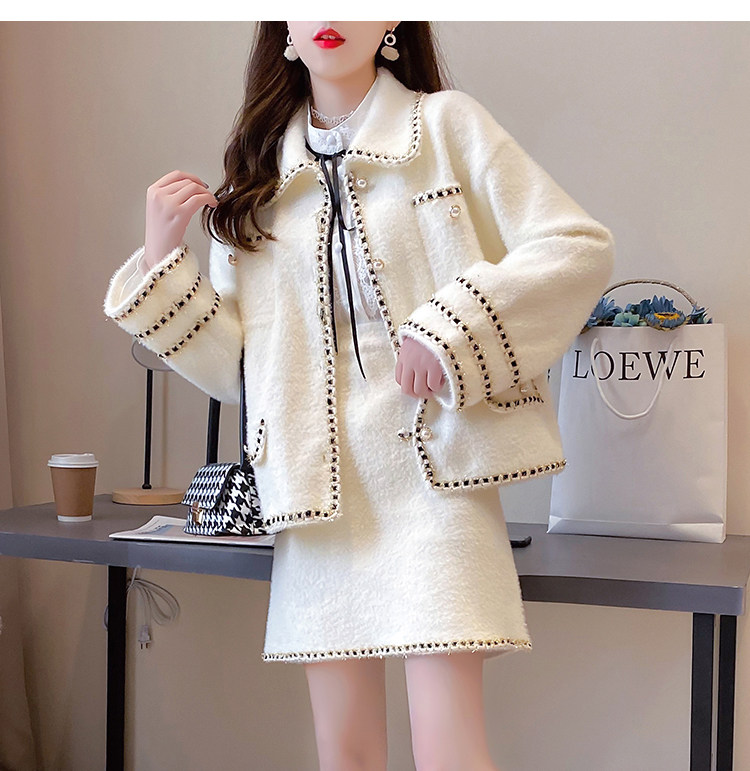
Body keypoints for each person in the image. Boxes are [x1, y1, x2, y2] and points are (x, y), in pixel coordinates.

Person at [103, 21, 614, 771]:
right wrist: (160, 259)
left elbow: (575, 247)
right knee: (345, 755)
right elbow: (238, 370)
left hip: (436, 483)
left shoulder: (447, 127)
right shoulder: (258, 175)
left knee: (449, 752)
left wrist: (451, 329)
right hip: (317, 499)